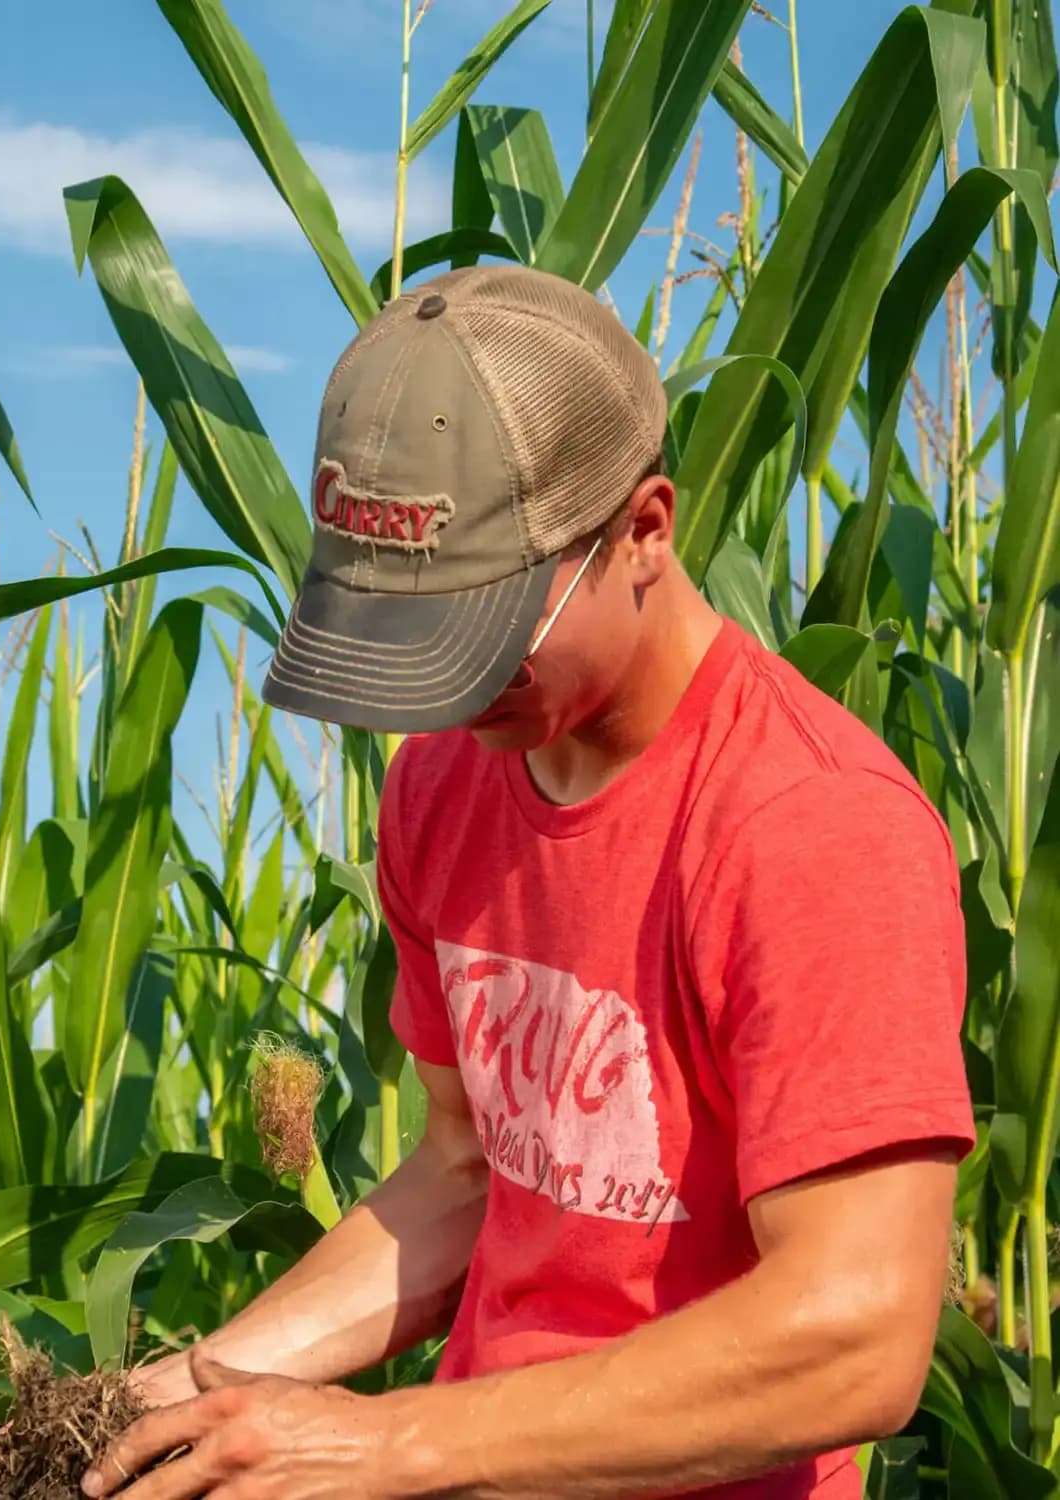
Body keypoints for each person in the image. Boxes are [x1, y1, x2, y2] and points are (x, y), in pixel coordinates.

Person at [80, 265, 974, 1499]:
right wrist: (191, 1392)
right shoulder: (443, 787)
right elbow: (462, 1173)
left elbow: (858, 1334)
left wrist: (385, 1442)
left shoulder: (808, 828)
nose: (445, 687)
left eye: (482, 626)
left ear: (645, 532)